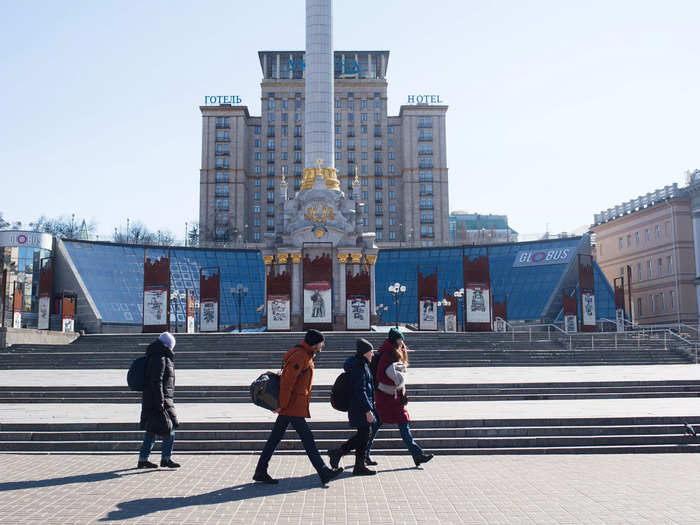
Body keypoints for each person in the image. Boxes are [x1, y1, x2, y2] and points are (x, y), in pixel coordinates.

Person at [253, 329, 343, 486]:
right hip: (292, 406)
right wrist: (282, 405)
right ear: (315, 343)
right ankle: (323, 472)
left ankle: (260, 470)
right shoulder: (300, 356)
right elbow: (287, 383)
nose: (323, 345)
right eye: (321, 342)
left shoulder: (305, 355)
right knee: (308, 439)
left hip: (292, 405)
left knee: (275, 439)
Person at [365, 327, 433, 467]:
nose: (402, 342)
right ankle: (364, 454)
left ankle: (417, 455)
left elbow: (400, 377)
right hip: (385, 397)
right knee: (376, 425)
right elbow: (381, 376)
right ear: (395, 340)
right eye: (400, 339)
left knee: (403, 425)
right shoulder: (386, 354)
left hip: (395, 397)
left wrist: (402, 390)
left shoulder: (398, 352)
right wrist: (396, 383)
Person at [327, 338, 376, 476]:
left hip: (361, 406)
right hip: (359, 407)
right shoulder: (358, 367)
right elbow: (360, 390)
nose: (373, 354)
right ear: (365, 352)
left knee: (364, 435)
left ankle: (358, 466)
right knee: (364, 436)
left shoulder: (362, 364)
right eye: (371, 351)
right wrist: (367, 410)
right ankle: (338, 452)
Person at [137, 331, 180, 469]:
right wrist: (160, 400)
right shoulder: (160, 358)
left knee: (152, 428)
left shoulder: (156, 355)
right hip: (160, 399)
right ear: (168, 345)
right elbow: (157, 381)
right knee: (169, 427)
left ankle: (143, 459)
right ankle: (166, 458)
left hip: (155, 398)